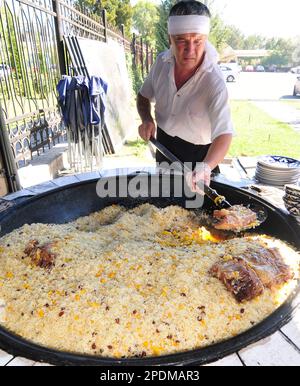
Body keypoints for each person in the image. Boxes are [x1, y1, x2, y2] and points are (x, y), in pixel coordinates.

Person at [137, 0, 234, 193]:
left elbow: (224, 133)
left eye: (197, 41)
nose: (190, 50)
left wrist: (206, 167)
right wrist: (147, 119)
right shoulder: (161, 63)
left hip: (200, 157)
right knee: (163, 208)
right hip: (164, 146)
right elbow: (143, 96)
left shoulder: (213, 81)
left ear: (205, 38)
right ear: (170, 38)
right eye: (181, 40)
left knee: (199, 217)